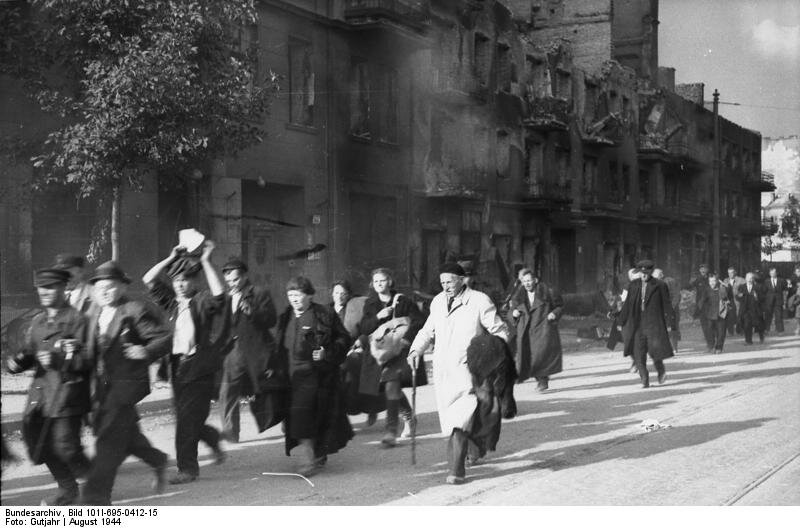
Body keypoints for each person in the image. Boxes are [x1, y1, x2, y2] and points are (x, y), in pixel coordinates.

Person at [408, 262, 509, 485]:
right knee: (456, 418)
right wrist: (416, 349)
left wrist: (491, 354)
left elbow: (500, 330)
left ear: (462, 280)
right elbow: (427, 330)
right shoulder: (437, 302)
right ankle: (473, 450)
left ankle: (456, 470)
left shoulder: (479, 300)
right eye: (442, 282)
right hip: (444, 370)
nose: (446, 286)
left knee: (459, 419)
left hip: (471, 369)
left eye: (450, 281)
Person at [80, 261, 171, 505]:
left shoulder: (134, 309)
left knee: (107, 445)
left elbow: (164, 338)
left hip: (123, 388)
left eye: (110, 287)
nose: (105, 292)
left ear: (121, 287)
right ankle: (157, 459)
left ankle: (95, 498)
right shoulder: (92, 313)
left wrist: (145, 351)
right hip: (98, 391)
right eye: (100, 288)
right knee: (126, 438)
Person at [142, 240, 230, 484]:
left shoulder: (201, 301)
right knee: (188, 418)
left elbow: (220, 296)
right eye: (176, 280)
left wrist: (205, 261)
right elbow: (148, 279)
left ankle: (187, 469)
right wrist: (170, 259)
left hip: (199, 367)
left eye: (185, 280)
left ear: (194, 281)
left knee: (186, 422)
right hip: (177, 368)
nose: (180, 285)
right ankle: (212, 439)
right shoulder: (171, 303)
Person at [6, 268, 91, 505]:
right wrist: (16, 363)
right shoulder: (39, 321)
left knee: (67, 447)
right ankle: (68, 490)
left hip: (68, 395)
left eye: (51, 287)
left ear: (64, 289)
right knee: (40, 446)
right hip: (41, 396)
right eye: (41, 287)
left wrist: (60, 360)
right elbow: (29, 353)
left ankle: (98, 483)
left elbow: (90, 360)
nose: (44, 292)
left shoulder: (78, 320)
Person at [275, 276, 353, 476]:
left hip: (315, 375)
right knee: (295, 418)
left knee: (302, 415)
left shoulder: (324, 314)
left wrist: (327, 352)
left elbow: (344, 338)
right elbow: (278, 345)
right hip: (290, 377)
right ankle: (318, 452)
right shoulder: (285, 316)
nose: (294, 299)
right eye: (290, 295)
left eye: (298, 295)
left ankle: (308, 460)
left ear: (309, 295)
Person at [359, 268, 424, 447]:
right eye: (377, 281)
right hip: (378, 352)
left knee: (391, 383)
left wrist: (406, 340)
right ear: (373, 284)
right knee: (386, 388)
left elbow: (419, 321)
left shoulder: (403, 300)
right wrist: (377, 317)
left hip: (399, 351)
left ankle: (390, 432)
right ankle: (409, 415)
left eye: (383, 280)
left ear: (390, 281)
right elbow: (364, 328)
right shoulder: (370, 304)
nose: (380, 284)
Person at [218, 258, 277, 443]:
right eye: (228, 281)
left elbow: (271, 320)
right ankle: (230, 432)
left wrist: (253, 312)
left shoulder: (259, 293)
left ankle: (285, 420)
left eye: (235, 280)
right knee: (227, 391)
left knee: (267, 392)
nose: (232, 284)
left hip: (255, 351)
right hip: (232, 352)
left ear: (244, 276)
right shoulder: (226, 297)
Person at [618, 260, 675, 388]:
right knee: (638, 353)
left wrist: (670, 322)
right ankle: (644, 378)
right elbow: (627, 305)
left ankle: (661, 371)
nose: (644, 275)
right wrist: (621, 320)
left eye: (646, 273)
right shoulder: (633, 285)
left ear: (651, 273)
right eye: (641, 273)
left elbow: (667, 305)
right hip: (637, 325)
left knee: (654, 350)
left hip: (653, 324)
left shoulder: (660, 285)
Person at [507, 269, 563, 392]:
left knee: (540, 356)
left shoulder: (547, 292)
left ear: (535, 280)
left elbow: (560, 306)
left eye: (529, 281)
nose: (527, 284)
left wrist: (554, 313)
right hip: (525, 330)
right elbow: (510, 311)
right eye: (524, 281)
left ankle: (542, 381)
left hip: (542, 329)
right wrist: (514, 314)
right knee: (527, 356)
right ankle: (522, 376)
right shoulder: (518, 295)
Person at [696, 273, 733, 354]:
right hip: (710, 314)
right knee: (709, 331)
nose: (712, 283)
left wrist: (727, 286)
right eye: (710, 281)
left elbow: (729, 294)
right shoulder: (706, 290)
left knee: (721, 332)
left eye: (714, 281)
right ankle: (711, 345)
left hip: (721, 313)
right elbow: (701, 301)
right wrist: (700, 307)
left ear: (717, 281)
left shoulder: (722, 289)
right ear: (708, 282)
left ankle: (719, 348)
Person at [654, 269, 681, 353]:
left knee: (673, 328)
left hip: (671, 309)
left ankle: (674, 347)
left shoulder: (670, 281)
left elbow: (676, 295)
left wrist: (671, 307)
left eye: (658, 275)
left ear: (662, 274)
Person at [737, 272, 765, 345]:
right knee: (747, 324)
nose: (750, 279)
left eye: (751, 278)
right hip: (746, 309)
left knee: (759, 324)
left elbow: (763, 298)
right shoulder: (741, 286)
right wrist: (739, 296)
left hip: (755, 309)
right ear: (745, 278)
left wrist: (757, 297)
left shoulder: (758, 287)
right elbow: (737, 297)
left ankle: (761, 337)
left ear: (753, 279)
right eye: (748, 278)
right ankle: (748, 341)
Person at [689, 263, 711, 344]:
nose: (703, 270)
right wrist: (692, 279)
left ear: (707, 270)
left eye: (705, 268)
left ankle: (711, 336)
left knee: (711, 322)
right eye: (701, 269)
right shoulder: (697, 279)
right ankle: (707, 338)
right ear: (699, 270)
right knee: (704, 322)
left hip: (710, 303)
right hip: (701, 304)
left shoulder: (711, 278)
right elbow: (690, 285)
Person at [763, 266, 787, 334]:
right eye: (771, 273)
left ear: (777, 273)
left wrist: (784, 301)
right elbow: (764, 291)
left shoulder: (781, 280)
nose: (772, 274)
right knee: (768, 316)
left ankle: (780, 331)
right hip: (769, 301)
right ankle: (766, 330)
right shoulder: (766, 281)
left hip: (778, 301)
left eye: (774, 273)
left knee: (779, 316)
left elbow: (785, 290)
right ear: (769, 273)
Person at [723, 267, 745, 336]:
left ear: (735, 272)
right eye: (729, 273)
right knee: (730, 316)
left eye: (732, 272)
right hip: (729, 301)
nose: (730, 274)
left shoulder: (741, 280)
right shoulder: (726, 280)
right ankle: (730, 332)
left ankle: (740, 330)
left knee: (739, 315)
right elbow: (723, 291)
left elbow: (746, 287)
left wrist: (742, 293)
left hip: (738, 301)